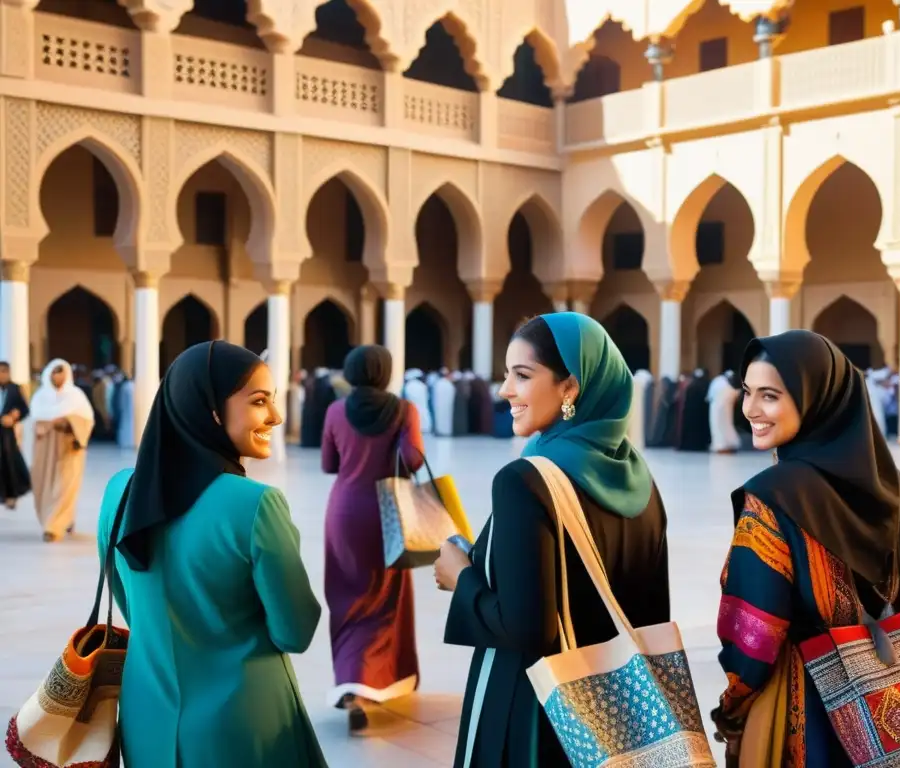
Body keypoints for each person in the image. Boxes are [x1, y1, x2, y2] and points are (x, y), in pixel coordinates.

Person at [436, 313, 670, 767]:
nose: (505, 389)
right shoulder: (641, 481)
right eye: (506, 375)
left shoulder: (526, 481)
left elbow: (528, 629)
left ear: (570, 387)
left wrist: (461, 577)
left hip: (535, 715)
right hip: (618, 716)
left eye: (522, 375)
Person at [96, 341, 326, 767]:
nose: (275, 417)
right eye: (259, 402)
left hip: (146, 717)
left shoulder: (118, 492)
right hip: (241, 722)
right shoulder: (255, 504)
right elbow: (294, 631)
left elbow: (131, 603)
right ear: (210, 410)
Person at [712, 330, 900, 766]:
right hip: (888, 707)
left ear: (816, 398)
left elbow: (755, 631)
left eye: (770, 396)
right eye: (748, 392)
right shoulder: (893, 486)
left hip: (804, 709)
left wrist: (733, 704)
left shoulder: (773, 496)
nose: (751, 410)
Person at [321, 345, 425, 730]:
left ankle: (349, 683)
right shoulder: (403, 410)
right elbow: (414, 459)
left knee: (347, 597)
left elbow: (329, 464)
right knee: (385, 598)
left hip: (344, 512)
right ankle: (378, 682)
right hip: (387, 512)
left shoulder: (335, 411)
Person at [29, 359, 95, 542]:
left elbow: (86, 420)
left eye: (61, 372)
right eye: (55, 372)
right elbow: (33, 422)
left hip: (68, 448)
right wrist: (45, 426)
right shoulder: (40, 397)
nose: (58, 376)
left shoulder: (75, 396)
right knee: (46, 486)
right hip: (45, 449)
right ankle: (61, 519)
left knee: (65, 486)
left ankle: (53, 527)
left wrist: (66, 421)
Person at [0, 362, 31, 509]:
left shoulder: (15, 389)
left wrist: (14, 417)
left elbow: (25, 409)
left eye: (4, 372)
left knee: (9, 462)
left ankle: (11, 495)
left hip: (7, 433)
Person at [707, 370, 741, 453]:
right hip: (718, 409)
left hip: (724, 410)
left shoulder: (720, 382)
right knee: (719, 427)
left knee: (723, 426)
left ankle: (726, 445)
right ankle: (721, 445)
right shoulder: (720, 382)